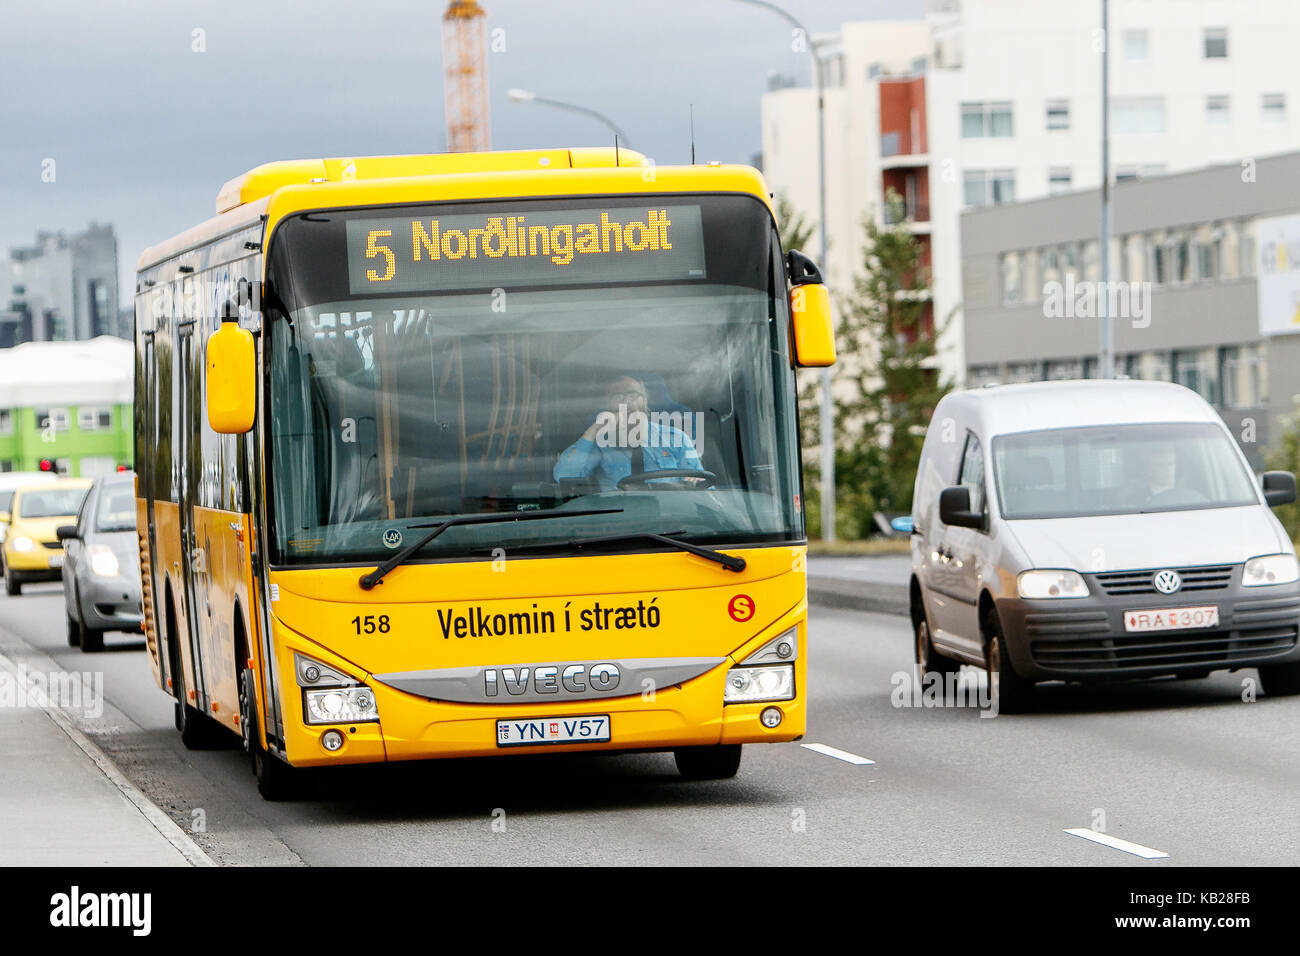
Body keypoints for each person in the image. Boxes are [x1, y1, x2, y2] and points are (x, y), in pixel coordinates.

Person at [554, 375, 704, 491]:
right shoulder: (601, 442)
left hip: (669, 519)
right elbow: (564, 477)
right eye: (618, 397)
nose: (627, 401)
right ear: (608, 405)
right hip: (619, 523)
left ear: (644, 401)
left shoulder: (675, 438)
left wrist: (694, 482)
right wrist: (592, 431)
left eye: (633, 395)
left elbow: (702, 485)